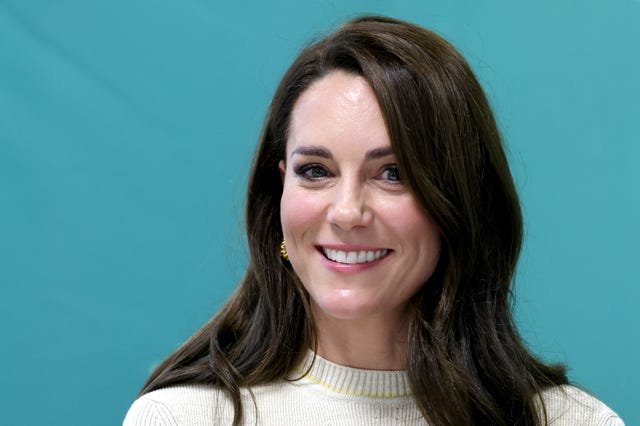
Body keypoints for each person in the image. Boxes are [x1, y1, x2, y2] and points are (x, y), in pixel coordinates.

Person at [123, 16, 623, 426]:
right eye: (315, 171)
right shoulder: (181, 417)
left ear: (458, 200)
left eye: (393, 173)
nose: (346, 213)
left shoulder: (573, 422)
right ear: (278, 190)